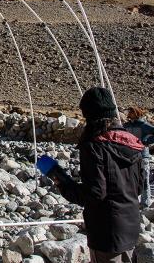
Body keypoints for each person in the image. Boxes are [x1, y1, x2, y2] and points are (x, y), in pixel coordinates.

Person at [42, 87, 143, 263]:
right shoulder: (131, 142)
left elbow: (95, 194)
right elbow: (139, 187)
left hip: (106, 233)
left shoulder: (94, 145)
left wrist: (61, 180)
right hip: (131, 226)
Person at [124, 106, 154, 207]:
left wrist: (146, 141)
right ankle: (133, 201)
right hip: (129, 157)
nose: (129, 113)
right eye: (129, 111)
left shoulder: (143, 125)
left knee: (144, 179)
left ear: (136, 112)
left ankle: (145, 203)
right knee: (131, 180)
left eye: (131, 111)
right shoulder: (126, 125)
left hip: (142, 156)